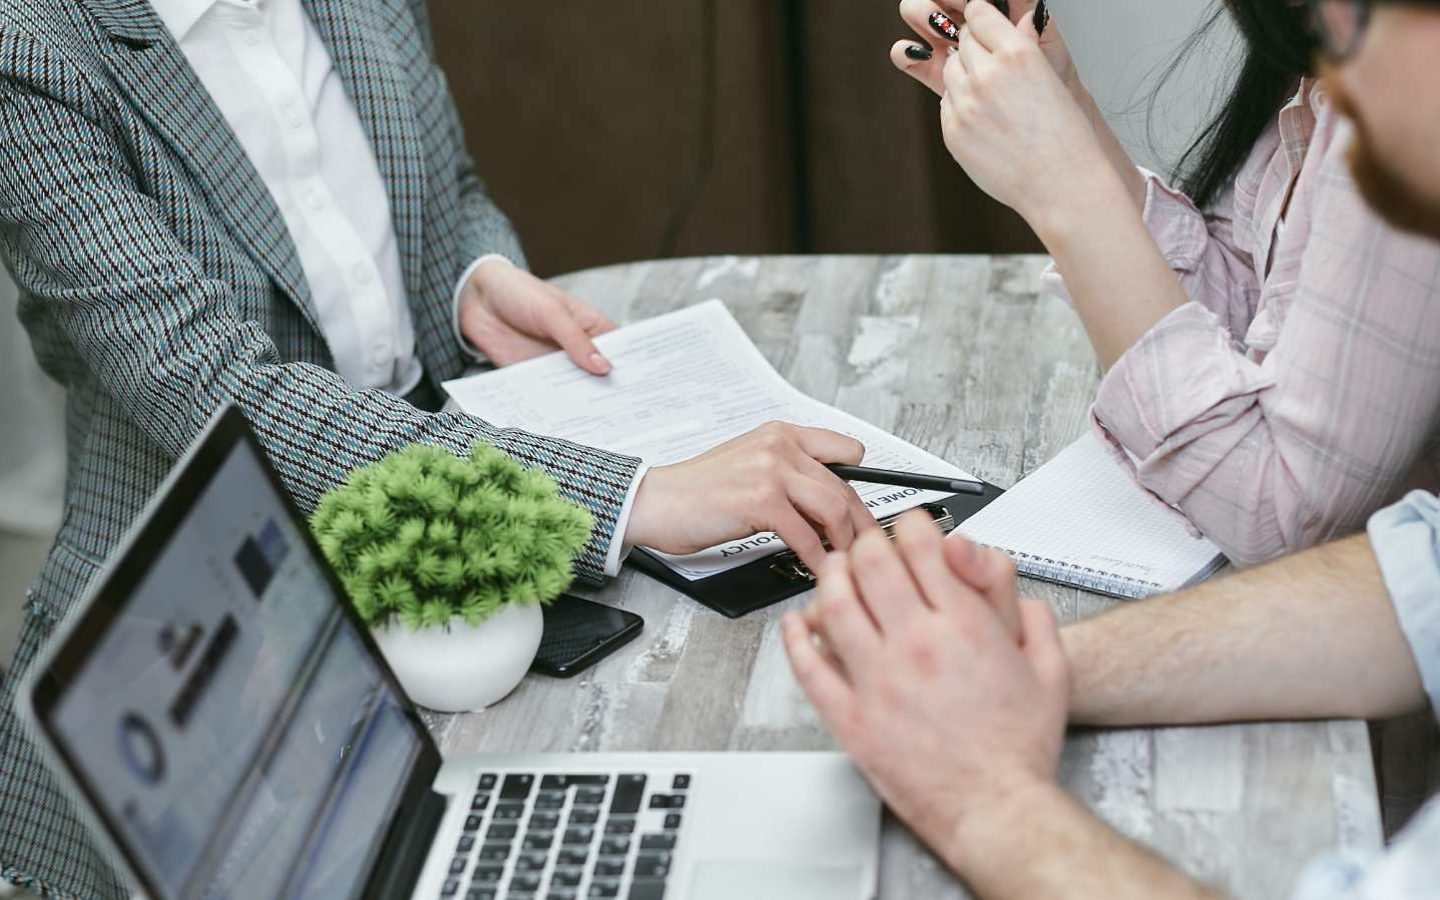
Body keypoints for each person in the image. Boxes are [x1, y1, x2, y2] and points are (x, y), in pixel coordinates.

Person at [0, 0, 880, 896]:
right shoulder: (31, 46)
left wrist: (471, 280)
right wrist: (635, 496)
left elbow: (447, 187)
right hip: (215, 676)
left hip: (453, 575)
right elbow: (221, 396)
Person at [784, 5, 1440, 896]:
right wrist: (1068, 127)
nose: (1330, 42)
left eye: (1361, 24)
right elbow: (1414, 574)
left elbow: (1285, 508)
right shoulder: (1329, 88)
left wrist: (987, 799)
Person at [892, 0, 1440, 567]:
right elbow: (1257, 324)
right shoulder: (1325, 53)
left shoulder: (1410, 85)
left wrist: (1068, 185)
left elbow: (1282, 517)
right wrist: (1068, 111)